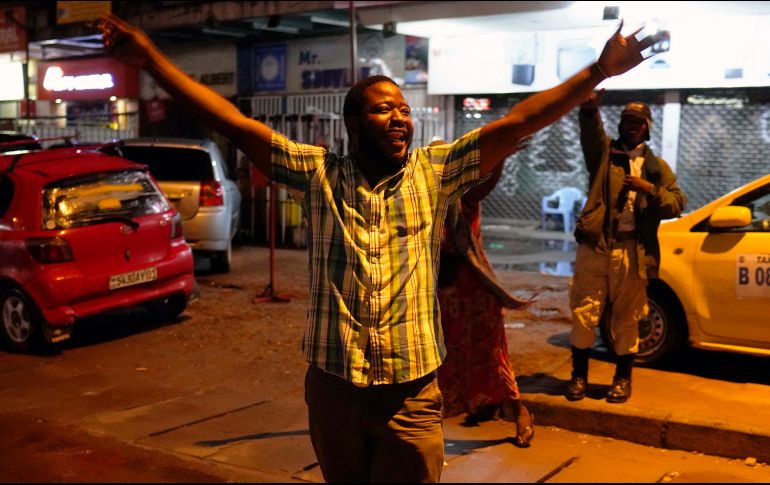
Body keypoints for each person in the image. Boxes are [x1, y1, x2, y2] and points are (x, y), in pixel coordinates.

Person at [95, 13, 658, 482]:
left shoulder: (433, 172)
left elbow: (518, 121)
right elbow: (234, 122)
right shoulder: (318, 176)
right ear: (352, 124)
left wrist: (599, 73)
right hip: (334, 392)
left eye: (405, 110)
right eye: (383, 109)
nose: (400, 119)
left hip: (411, 397)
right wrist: (151, 60)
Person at [566, 90, 686, 404]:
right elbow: (591, 136)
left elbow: (676, 203)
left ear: (648, 127)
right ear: (621, 125)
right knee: (584, 313)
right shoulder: (604, 155)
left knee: (628, 317)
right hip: (596, 247)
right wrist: (590, 111)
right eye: (628, 121)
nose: (633, 127)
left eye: (639, 122)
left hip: (633, 251)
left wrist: (650, 189)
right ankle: (578, 377)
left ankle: (622, 379)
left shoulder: (656, 166)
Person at [432, 137, 535, 448]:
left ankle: (519, 411)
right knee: (442, 363)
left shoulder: (463, 194)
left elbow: (482, 187)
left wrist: (500, 154)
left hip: (474, 290)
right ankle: (427, 431)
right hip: (441, 294)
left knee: (491, 356)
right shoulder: (421, 199)